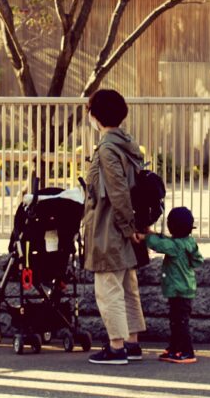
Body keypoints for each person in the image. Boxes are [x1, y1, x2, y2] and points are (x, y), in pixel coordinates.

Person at [80, 88, 146, 365]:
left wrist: (127, 227)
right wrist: (133, 227)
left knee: (108, 288)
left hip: (110, 227)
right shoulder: (128, 145)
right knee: (127, 286)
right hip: (126, 226)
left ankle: (116, 347)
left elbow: (117, 191)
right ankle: (132, 342)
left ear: (96, 115)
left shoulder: (107, 148)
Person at [140, 206, 203, 364]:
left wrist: (145, 237)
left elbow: (160, 245)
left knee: (180, 322)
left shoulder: (175, 246)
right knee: (176, 321)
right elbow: (197, 259)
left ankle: (187, 351)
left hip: (178, 290)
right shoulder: (188, 242)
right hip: (185, 289)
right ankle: (175, 348)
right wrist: (152, 233)